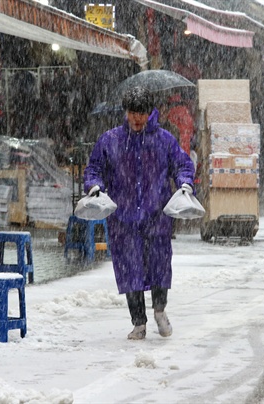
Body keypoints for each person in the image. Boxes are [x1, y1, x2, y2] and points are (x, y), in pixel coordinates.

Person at [83, 87, 195, 340]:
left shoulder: (164, 140)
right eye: (132, 113)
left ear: (150, 113)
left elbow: (182, 164)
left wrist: (185, 183)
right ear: (126, 112)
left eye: (141, 113)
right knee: (129, 268)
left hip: (157, 215)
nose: (137, 119)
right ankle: (138, 323)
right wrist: (94, 187)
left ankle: (159, 311)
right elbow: (94, 169)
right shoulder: (110, 140)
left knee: (159, 265)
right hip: (122, 218)